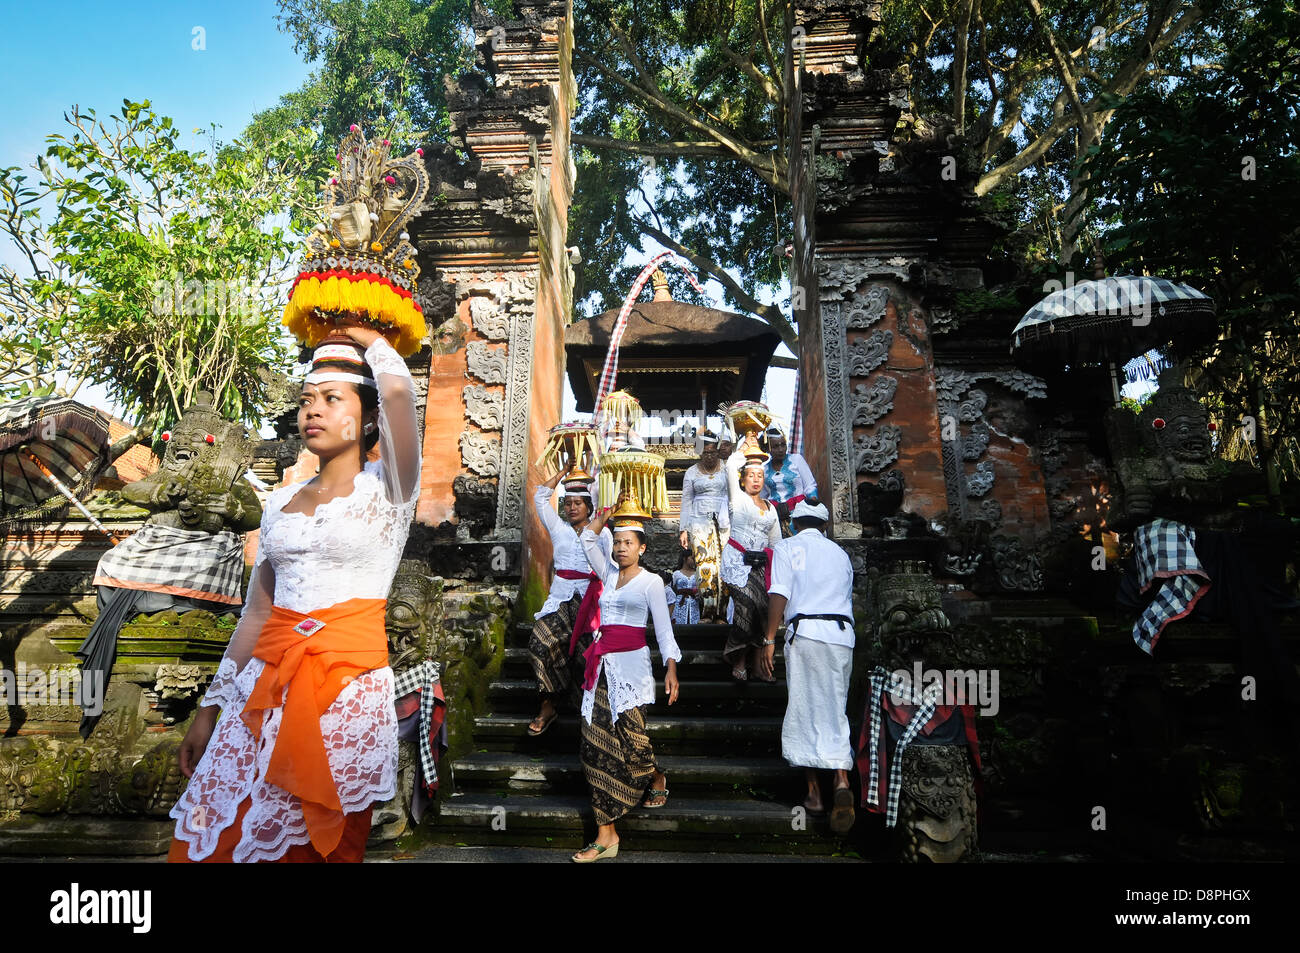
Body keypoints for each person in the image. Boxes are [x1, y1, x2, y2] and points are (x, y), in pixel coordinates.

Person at [168, 324, 421, 862]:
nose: (314, 411)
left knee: (312, 844)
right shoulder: (277, 505)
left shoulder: (391, 489)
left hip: (345, 691)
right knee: (211, 837)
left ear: (369, 417)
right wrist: (209, 710)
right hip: (259, 689)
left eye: (332, 399)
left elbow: (400, 395)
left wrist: (370, 337)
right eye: (307, 400)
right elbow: (257, 613)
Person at [571, 496, 682, 862]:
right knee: (593, 743)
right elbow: (588, 540)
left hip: (632, 668)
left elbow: (663, 631)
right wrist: (607, 513)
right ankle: (607, 835)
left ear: (642, 547)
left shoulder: (652, 582)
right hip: (599, 667)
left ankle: (654, 776)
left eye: (628, 543)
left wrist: (671, 667)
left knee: (633, 742)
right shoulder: (606, 574)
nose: (620, 548)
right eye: (617, 542)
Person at [759, 500, 856, 834]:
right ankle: (841, 780)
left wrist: (769, 638)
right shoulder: (839, 554)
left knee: (804, 710)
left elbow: (779, 593)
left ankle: (815, 794)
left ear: (793, 523)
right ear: (824, 527)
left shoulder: (787, 548)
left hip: (808, 634)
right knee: (835, 708)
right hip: (842, 636)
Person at [525, 468, 611, 736]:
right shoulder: (558, 528)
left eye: (577, 503)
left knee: (589, 656)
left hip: (591, 602)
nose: (572, 508)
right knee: (539, 642)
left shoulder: (604, 534)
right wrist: (564, 471)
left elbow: (610, 570)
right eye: (567, 503)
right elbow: (540, 497)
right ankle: (548, 703)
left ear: (589, 506)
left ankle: (585, 712)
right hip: (561, 598)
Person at [721, 435, 782, 681]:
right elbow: (729, 466)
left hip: (761, 565)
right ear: (743, 479)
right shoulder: (738, 499)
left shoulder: (771, 506)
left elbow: (776, 543)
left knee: (764, 608)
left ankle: (758, 664)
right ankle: (739, 658)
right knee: (746, 604)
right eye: (750, 476)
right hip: (737, 562)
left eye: (760, 476)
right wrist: (744, 446)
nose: (756, 480)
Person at [678, 428, 729, 617]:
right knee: (704, 564)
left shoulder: (727, 467)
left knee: (725, 564)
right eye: (705, 452)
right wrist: (684, 529)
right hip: (698, 522)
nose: (709, 456)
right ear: (700, 452)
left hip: (724, 521)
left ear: (718, 450)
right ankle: (707, 612)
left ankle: (722, 613)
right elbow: (686, 501)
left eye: (712, 452)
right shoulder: (691, 472)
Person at [761, 425, 818, 535]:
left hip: (800, 514)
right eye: (775, 446)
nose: (781, 449)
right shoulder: (764, 470)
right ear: (768, 448)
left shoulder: (796, 460)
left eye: (783, 444)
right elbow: (763, 497)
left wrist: (813, 504)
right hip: (776, 518)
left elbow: (810, 486)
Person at [671, 549, 701, 626]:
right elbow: (669, 589)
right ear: (685, 558)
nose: (694, 560)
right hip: (680, 603)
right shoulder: (676, 574)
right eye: (692, 558)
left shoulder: (698, 573)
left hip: (694, 603)